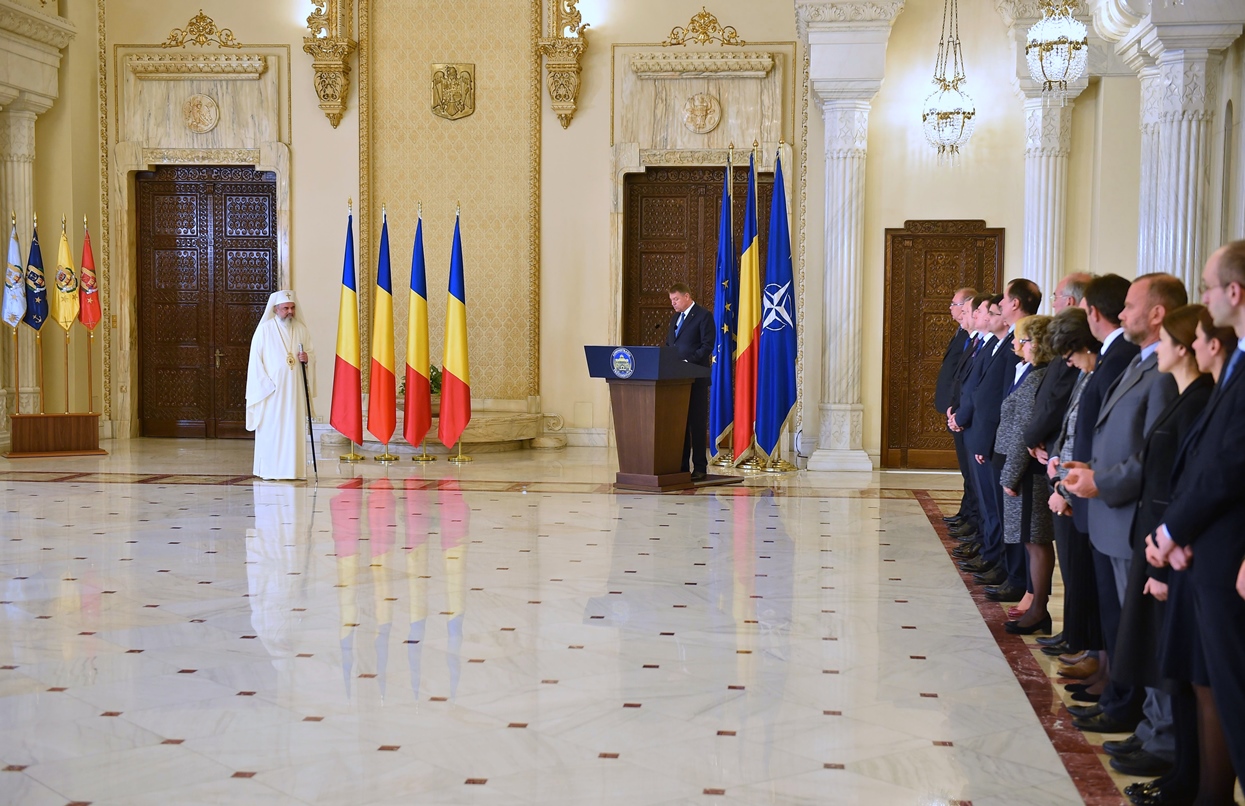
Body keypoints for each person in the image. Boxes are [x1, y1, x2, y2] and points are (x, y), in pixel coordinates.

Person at [1063, 274, 1186, 759]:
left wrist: (1102, 481)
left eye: (1131, 305)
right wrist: (1090, 469)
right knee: (1131, 631)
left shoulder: (1165, 371)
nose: (1122, 313)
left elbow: (1152, 455)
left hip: (1133, 516)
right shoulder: (1141, 361)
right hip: (1112, 517)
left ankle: (1160, 735)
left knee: (1147, 636)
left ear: (1157, 313)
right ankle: (1147, 726)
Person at [1150, 240, 1245, 801]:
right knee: (1210, 684)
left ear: (1234, 291)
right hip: (1205, 550)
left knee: (1231, 694)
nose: (1204, 298)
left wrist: (1172, 532)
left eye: (1208, 287)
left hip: (1224, 556)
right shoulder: (1235, 368)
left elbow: (1227, 467)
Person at [1045, 308, 1103, 673]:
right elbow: (1068, 427)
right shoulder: (1086, 372)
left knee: (1083, 575)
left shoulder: (1100, 372)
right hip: (1066, 479)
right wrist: (1055, 463)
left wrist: (1064, 490)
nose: (1069, 363)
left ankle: (1087, 645)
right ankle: (1078, 638)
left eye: (1070, 354)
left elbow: (1089, 437)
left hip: (1080, 489)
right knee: (1073, 570)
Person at [996, 314, 1053, 634]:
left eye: (1024, 340)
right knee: (1030, 540)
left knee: (1035, 540)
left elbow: (1023, 432)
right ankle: (1035, 604)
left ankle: (1038, 608)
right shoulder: (1030, 372)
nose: (1018, 344)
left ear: (1039, 344)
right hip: (1021, 468)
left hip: (1028, 473)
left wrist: (1010, 476)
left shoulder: (1037, 378)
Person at [246, 290, 316, 480]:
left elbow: (310, 353)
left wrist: (307, 358)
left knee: (293, 430)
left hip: (295, 391)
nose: (290, 311)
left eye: (292, 308)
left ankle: (294, 471)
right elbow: (255, 362)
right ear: (276, 309)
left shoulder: (301, 330)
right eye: (286, 308)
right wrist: (266, 386)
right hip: (272, 392)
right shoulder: (264, 330)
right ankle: (270, 471)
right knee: (273, 430)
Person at [935, 287, 977, 533]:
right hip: (956, 407)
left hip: (963, 409)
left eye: (954, 304)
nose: (950, 308)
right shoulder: (963, 332)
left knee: (971, 470)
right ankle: (966, 512)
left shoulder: (973, 337)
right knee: (966, 469)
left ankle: (972, 517)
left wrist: (957, 407)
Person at [664, 283, 714, 480]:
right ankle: (682, 466)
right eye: (671, 300)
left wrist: (688, 362)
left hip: (696, 378)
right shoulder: (675, 318)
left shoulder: (703, 316)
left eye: (676, 299)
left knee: (697, 424)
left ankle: (700, 467)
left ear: (687, 296)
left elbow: (707, 345)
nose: (673, 303)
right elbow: (669, 344)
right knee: (680, 423)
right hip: (677, 380)